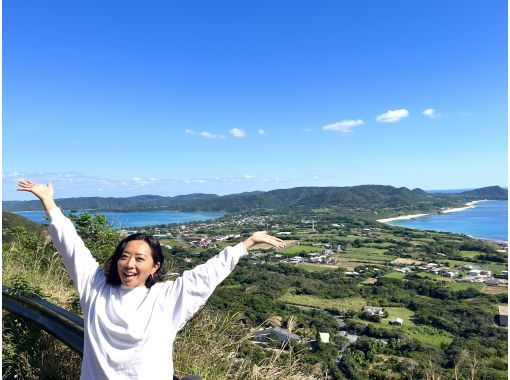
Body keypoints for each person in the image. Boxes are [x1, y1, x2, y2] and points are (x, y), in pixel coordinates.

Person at [17, 180, 286, 380]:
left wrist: (247, 243)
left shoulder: (167, 298)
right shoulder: (95, 287)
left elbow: (207, 274)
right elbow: (71, 246)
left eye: (139, 258)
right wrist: (48, 202)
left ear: (155, 266)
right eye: (124, 256)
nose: (130, 264)